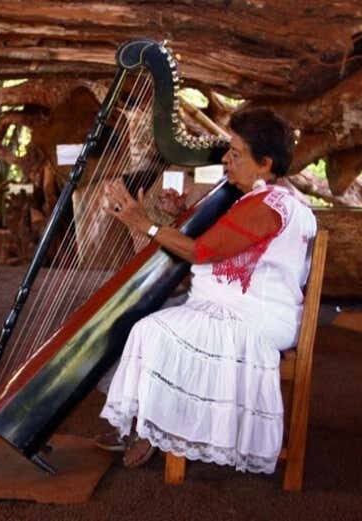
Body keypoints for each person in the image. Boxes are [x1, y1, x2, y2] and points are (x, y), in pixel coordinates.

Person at [96, 107, 317, 473]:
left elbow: (200, 251)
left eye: (236, 154)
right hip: (241, 307)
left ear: (265, 164)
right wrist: (180, 212)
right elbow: (228, 244)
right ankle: (151, 421)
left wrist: (142, 222)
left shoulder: (268, 206)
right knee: (147, 315)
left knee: (150, 330)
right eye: (229, 151)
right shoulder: (265, 199)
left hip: (253, 320)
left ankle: (155, 427)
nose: (226, 160)